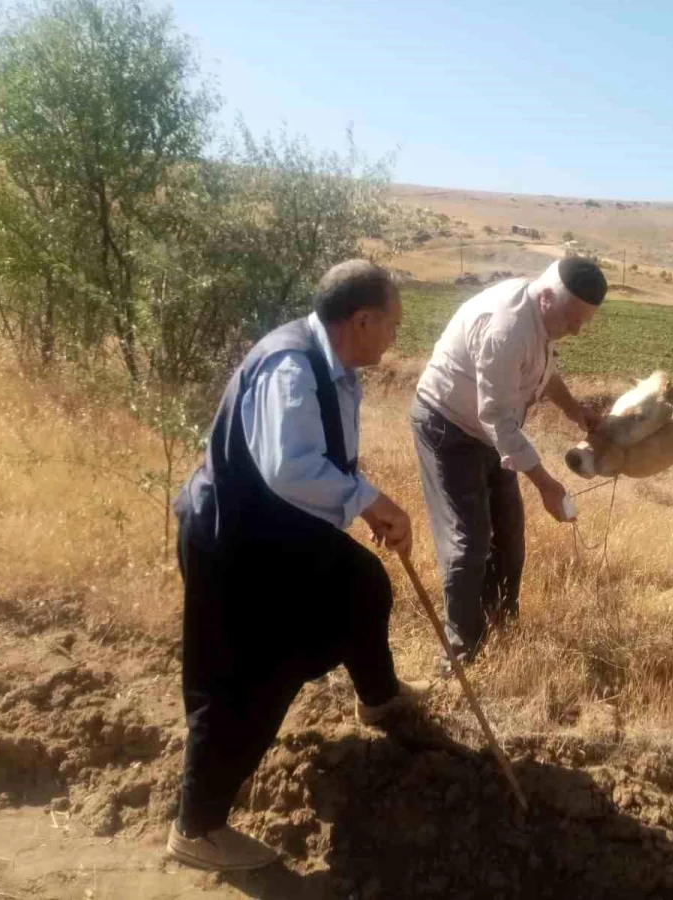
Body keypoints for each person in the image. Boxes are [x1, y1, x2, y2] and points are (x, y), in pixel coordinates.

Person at [166, 260, 428, 872]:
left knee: (363, 585)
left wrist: (362, 502)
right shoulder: (292, 366)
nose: (394, 337)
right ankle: (196, 829)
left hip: (277, 531)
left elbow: (319, 460)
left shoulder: (329, 361)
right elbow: (288, 468)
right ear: (361, 321)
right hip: (237, 541)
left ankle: (379, 698)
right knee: (250, 680)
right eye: (391, 325)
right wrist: (369, 500)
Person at [411, 256, 608, 671]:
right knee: (470, 541)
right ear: (549, 297)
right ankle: (463, 653)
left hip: (488, 430)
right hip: (449, 426)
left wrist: (577, 412)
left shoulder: (543, 315)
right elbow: (496, 417)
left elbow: (543, 373)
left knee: (509, 535)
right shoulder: (507, 327)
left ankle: (502, 625)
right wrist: (545, 483)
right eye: (574, 318)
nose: (576, 329)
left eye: (583, 322)